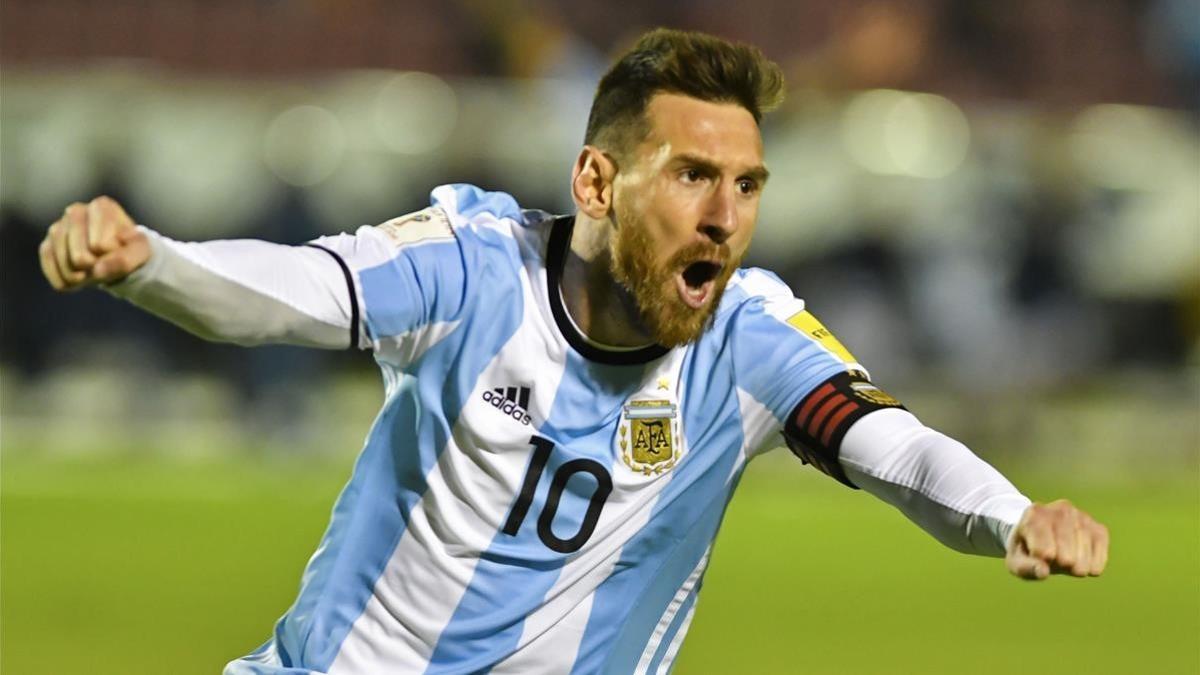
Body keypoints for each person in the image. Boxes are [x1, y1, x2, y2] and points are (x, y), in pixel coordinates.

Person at [38, 28, 1108, 675]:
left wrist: (1016, 515)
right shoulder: (473, 268)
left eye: (747, 187)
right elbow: (301, 292)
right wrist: (150, 261)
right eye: (692, 175)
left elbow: (888, 443)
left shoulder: (746, 338)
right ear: (597, 183)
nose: (725, 218)